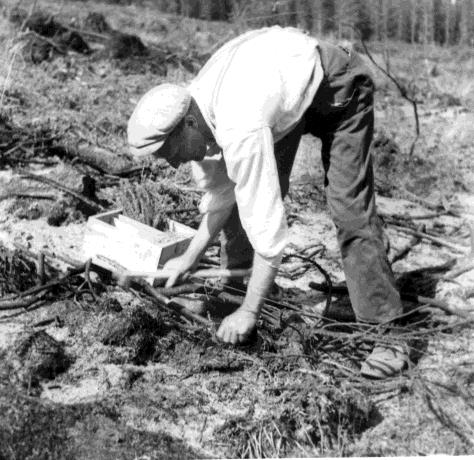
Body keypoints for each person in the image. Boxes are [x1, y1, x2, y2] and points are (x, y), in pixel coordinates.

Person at [127, 26, 408, 378]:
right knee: (241, 197)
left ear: (187, 124)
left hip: (339, 88)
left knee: (348, 208)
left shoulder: (238, 124)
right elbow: (223, 193)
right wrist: (188, 258)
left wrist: (250, 311)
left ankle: (387, 335)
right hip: (285, 93)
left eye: (170, 152)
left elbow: (270, 231)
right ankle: (241, 294)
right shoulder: (199, 107)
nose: (172, 163)